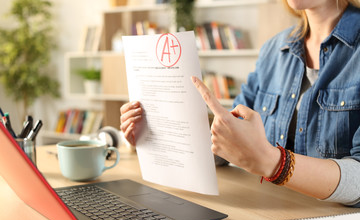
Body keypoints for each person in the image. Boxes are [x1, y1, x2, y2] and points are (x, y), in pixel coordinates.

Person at [120, 0, 360, 207]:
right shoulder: (273, 51)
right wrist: (155, 137)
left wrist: (274, 163)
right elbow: (229, 141)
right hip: (272, 213)